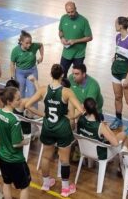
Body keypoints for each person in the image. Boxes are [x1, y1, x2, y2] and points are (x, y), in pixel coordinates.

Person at [25, 64, 84, 197]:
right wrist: (72, 116)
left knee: (46, 157)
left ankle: (46, 183)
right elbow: (81, 110)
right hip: (62, 128)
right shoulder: (66, 91)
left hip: (48, 127)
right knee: (64, 160)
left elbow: (28, 105)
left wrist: (43, 115)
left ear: (51, 74)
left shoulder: (42, 90)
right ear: (62, 75)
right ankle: (65, 189)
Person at [0, 87, 31, 199]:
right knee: (24, 186)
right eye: (18, 99)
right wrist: (25, 141)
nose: (20, 101)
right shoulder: (14, 120)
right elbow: (15, 144)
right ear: (9, 102)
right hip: (15, 159)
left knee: (6, 182)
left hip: (2, 157)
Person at [110, 16, 128, 135]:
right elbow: (120, 52)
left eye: (116, 24)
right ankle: (118, 119)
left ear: (121, 26)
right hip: (115, 71)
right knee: (117, 97)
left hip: (126, 74)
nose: (114, 26)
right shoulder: (117, 37)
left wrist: (127, 78)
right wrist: (115, 58)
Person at [59, 1, 93, 78]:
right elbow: (60, 31)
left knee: (78, 77)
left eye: (72, 11)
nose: (70, 14)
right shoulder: (63, 18)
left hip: (79, 55)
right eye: (68, 12)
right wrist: (62, 38)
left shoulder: (83, 21)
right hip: (66, 54)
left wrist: (75, 41)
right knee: (61, 75)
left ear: (75, 9)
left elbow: (90, 37)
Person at [10, 30, 44, 101]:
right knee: (20, 93)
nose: (29, 45)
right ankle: (21, 111)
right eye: (27, 43)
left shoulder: (34, 46)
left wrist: (41, 56)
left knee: (32, 94)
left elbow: (41, 45)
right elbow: (12, 64)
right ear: (21, 42)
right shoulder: (15, 51)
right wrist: (12, 76)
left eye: (30, 43)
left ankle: (31, 111)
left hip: (32, 72)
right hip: (20, 73)